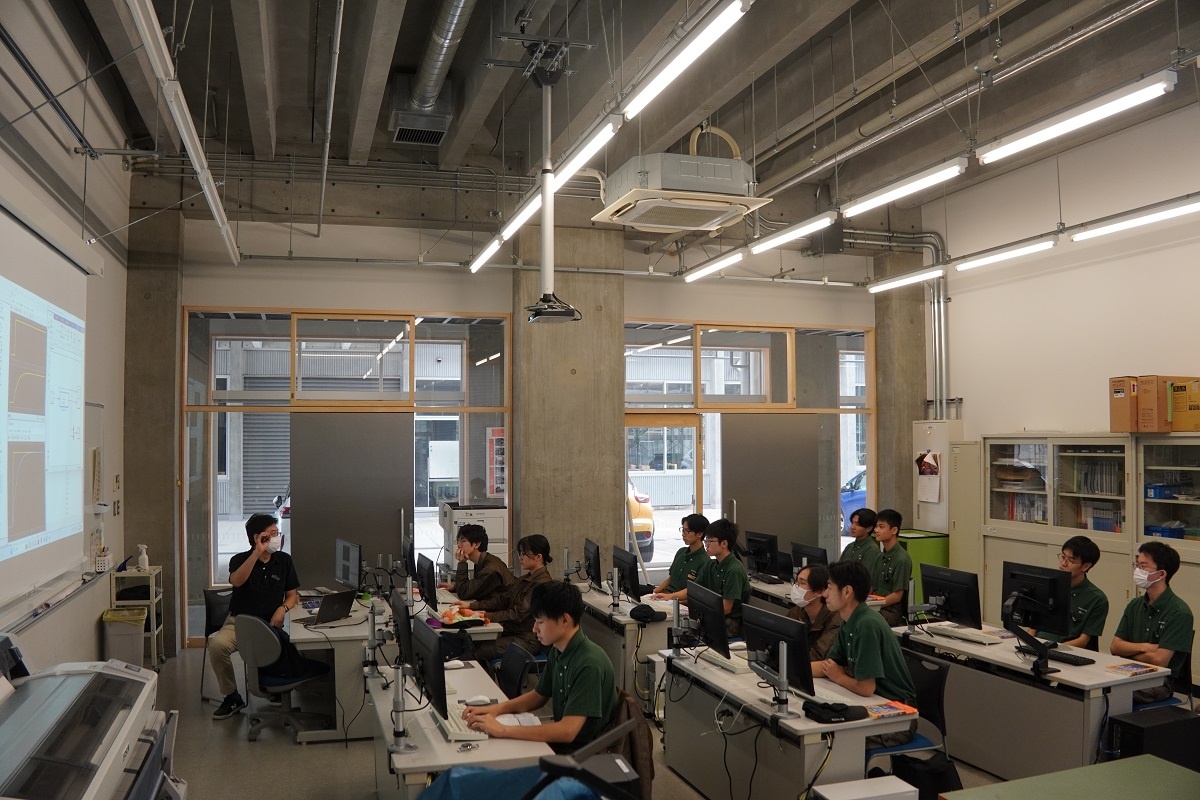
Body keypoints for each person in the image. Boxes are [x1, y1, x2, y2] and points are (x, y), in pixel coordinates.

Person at [462, 582, 617, 751]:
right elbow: (538, 696)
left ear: (565, 620)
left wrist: (503, 730)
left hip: (581, 754)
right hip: (564, 745)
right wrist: (495, 710)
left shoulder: (589, 663)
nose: (534, 629)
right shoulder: (559, 649)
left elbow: (568, 731)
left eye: (540, 622)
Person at [813, 560, 917, 747]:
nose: (825, 594)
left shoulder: (866, 624)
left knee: (830, 740)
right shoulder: (849, 620)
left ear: (847, 592)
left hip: (896, 716)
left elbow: (866, 688)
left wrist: (839, 677)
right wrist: (789, 669)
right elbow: (829, 666)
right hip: (875, 703)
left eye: (829, 587)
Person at [209, 512, 300, 720]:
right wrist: (256, 553)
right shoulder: (239, 560)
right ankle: (232, 696)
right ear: (256, 537)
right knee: (217, 647)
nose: (276, 538)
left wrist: (282, 609)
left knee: (288, 648)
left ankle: (274, 687)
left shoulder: (283, 561)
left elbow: (292, 596)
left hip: (269, 624)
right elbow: (237, 581)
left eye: (277, 533)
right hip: (239, 622)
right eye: (271, 535)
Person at [1110, 540, 1194, 703]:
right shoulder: (1135, 605)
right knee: (1090, 687)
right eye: (1137, 565)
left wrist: (1128, 652)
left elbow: (1160, 660)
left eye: (1143, 566)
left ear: (1162, 574)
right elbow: (1115, 647)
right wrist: (1147, 647)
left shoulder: (1179, 612)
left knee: (1111, 695)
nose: (1137, 571)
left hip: (1160, 681)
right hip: (1126, 671)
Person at [458, 534, 556, 663]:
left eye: (524, 554)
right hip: (513, 633)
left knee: (478, 650)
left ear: (538, 557)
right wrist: (472, 607)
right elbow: (503, 599)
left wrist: (484, 615)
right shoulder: (526, 579)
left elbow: (517, 614)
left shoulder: (541, 584)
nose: (520, 558)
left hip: (526, 640)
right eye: (519, 554)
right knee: (470, 643)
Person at [1033, 535, 1109, 649]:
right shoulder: (1048, 585)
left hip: (1067, 651)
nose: (1063, 563)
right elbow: (1032, 627)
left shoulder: (1097, 599)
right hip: (1038, 646)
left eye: (1071, 560)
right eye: (1063, 557)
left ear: (1085, 566)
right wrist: (1029, 645)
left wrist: (1051, 649)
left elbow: (1083, 641)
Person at [691, 519, 751, 636]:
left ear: (724, 544)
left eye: (710, 541)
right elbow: (693, 589)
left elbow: (726, 608)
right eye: (706, 540)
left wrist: (701, 615)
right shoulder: (711, 564)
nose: (706, 544)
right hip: (713, 614)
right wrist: (671, 597)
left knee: (685, 632)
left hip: (729, 622)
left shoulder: (734, 570)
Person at [437, 524, 514, 603]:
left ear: (477, 544)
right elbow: (477, 587)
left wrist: (462, 563)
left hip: (506, 607)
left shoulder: (489, 569)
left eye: (463, 541)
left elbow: (464, 594)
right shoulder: (483, 560)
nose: (459, 545)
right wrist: (455, 587)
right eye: (458, 541)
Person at [786, 563, 842, 661]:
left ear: (820, 592)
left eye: (802, 583)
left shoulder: (836, 620)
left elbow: (818, 655)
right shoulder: (796, 611)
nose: (796, 587)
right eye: (796, 582)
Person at [650, 514, 710, 601]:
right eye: (682, 530)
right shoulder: (681, 552)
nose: (683, 534)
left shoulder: (705, 561)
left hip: (677, 601)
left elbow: (696, 594)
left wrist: (672, 600)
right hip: (666, 596)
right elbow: (671, 579)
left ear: (699, 534)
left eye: (687, 531)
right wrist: (653, 592)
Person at [871, 509, 912, 627]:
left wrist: (872, 605)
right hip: (875, 605)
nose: (876, 530)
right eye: (876, 526)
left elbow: (897, 596)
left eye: (881, 527)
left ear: (894, 530)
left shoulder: (901, 559)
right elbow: (872, 587)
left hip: (890, 611)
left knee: (863, 621)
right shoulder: (880, 557)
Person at [839, 507, 881, 577]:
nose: (852, 527)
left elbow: (865, 577)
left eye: (857, 524)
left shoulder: (871, 550)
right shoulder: (850, 546)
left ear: (869, 528)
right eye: (852, 523)